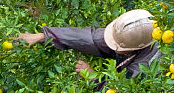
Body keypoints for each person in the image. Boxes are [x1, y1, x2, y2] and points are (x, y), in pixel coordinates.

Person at [17, 8, 160, 79]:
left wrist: (93, 78)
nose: (113, 47)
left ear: (137, 48)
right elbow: (90, 39)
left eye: (118, 47)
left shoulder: (147, 66)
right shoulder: (133, 33)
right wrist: (44, 36)